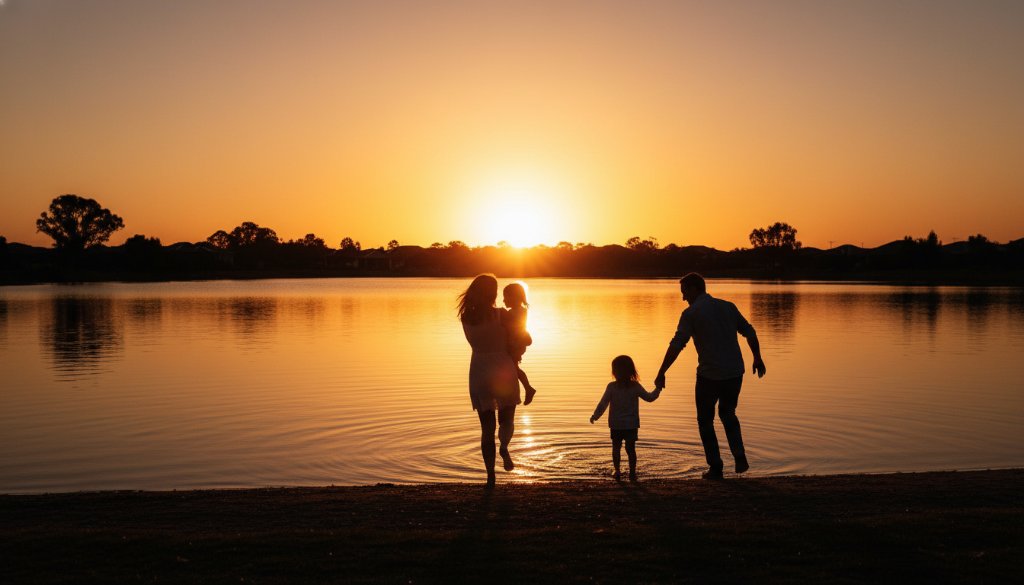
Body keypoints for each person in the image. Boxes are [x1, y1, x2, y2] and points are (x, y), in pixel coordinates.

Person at [654, 273, 766, 480]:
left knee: (705, 420)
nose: (683, 297)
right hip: (734, 372)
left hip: (709, 375)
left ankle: (716, 467)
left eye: (685, 292)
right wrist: (757, 357)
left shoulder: (691, 313)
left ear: (695, 288)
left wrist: (662, 371)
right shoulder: (728, 306)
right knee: (728, 413)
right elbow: (749, 332)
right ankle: (739, 456)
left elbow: (677, 344)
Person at [458, 274, 521, 485]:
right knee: (507, 419)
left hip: (478, 371)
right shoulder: (501, 315)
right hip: (503, 369)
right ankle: (504, 447)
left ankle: (490, 475)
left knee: (486, 429)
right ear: (493, 294)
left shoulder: (466, 317)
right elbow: (523, 335)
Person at [590, 355, 661, 482]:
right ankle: (632, 473)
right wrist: (658, 388)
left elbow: (603, 403)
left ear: (614, 372)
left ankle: (617, 471)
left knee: (616, 448)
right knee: (630, 449)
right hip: (631, 425)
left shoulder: (611, 386)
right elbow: (650, 398)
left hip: (616, 424)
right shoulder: (635, 386)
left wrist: (595, 416)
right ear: (631, 371)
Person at [500, 282, 538, 405]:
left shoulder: (516, 312)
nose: (504, 300)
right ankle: (528, 388)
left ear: (515, 297)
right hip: (516, 344)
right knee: (514, 368)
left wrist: (500, 313)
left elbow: (511, 323)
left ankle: (528, 388)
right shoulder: (519, 310)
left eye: (506, 297)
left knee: (514, 368)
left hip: (516, 345)